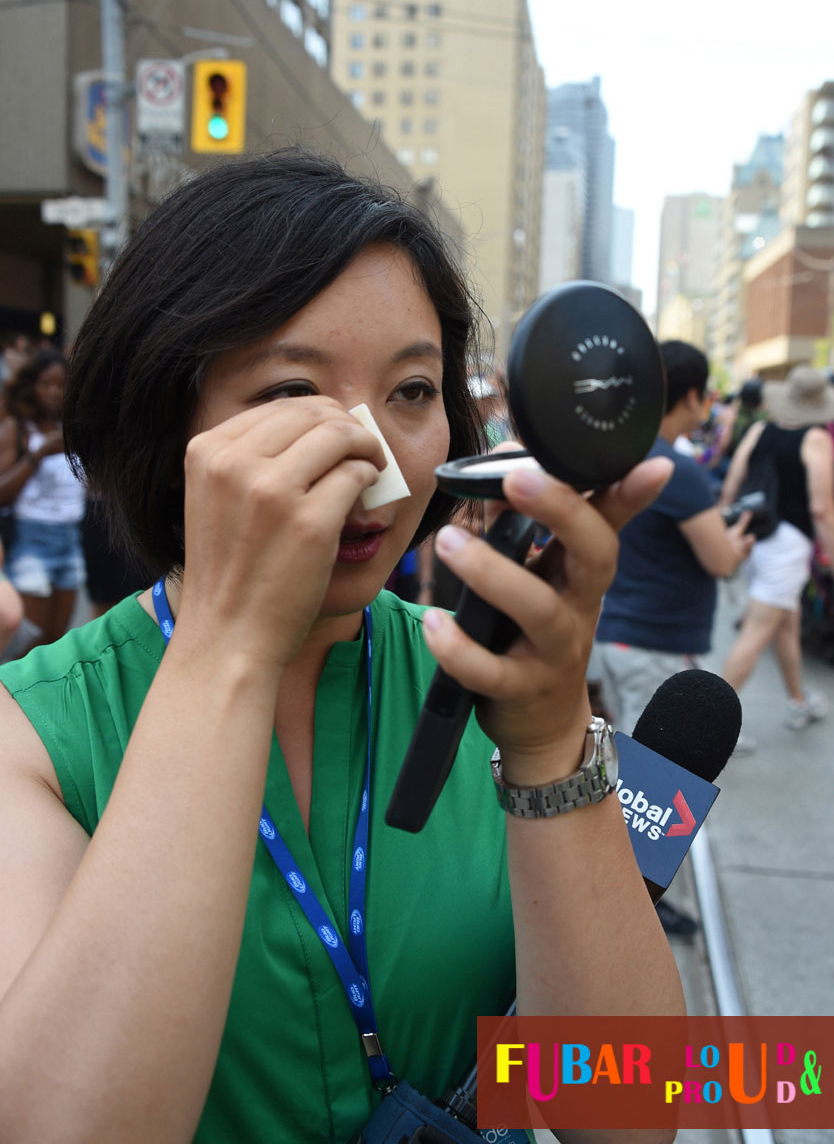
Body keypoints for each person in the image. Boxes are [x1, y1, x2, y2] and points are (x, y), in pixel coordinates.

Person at [0, 150, 682, 1144]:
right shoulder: (36, 735)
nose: (369, 453)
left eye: (411, 390)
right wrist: (231, 645)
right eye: (290, 392)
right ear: (164, 412)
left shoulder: (486, 678)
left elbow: (631, 1110)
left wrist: (548, 744)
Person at [594, 341, 754, 936]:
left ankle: (629, 896)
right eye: (706, 394)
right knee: (650, 798)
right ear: (689, 395)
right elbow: (719, 560)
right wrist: (737, 542)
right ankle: (631, 910)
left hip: (617, 632)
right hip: (653, 644)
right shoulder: (678, 469)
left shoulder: (616, 452)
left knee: (632, 778)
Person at [720, 365, 834, 736]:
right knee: (756, 633)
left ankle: (798, 700)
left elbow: (733, 484)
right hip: (789, 545)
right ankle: (711, 725)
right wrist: (830, 552)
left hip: (756, 537)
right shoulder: (816, 439)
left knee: (786, 625)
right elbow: (820, 507)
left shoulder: (759, 430)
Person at [0, 349, 86, 649]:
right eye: (46, 384)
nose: (54, 392)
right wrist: (40, 453)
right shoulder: (20, 429)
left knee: (55, 645)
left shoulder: (75, 429)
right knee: (26, 646)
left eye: (62, 384)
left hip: (71, 539)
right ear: (31, 386)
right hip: (32, 539)